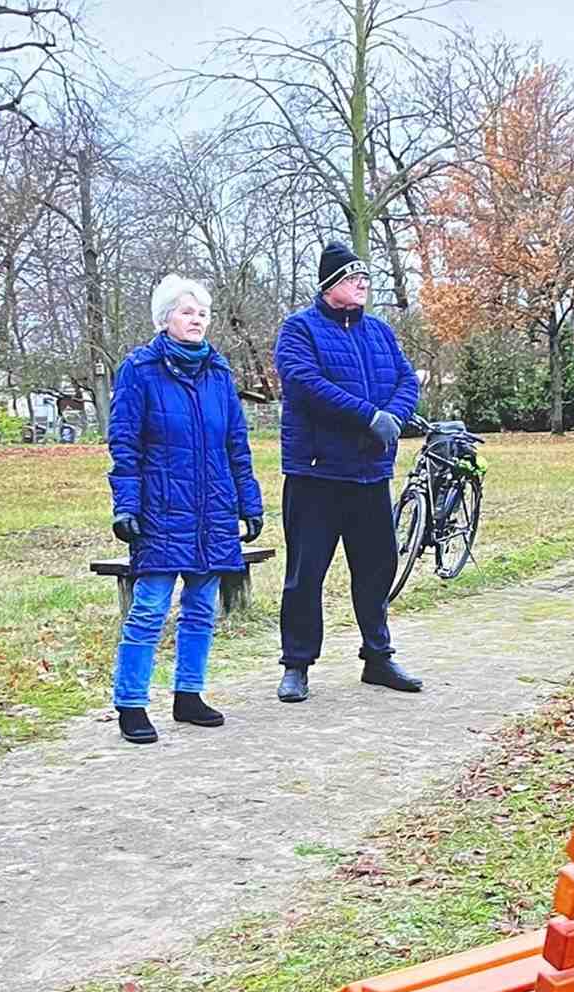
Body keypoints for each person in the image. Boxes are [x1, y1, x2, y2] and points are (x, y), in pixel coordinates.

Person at [107, 275, 264, 744]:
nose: (197, 320)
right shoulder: (139, 370)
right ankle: (131, 702)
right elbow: (125, 443)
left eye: (202, 314)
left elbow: (236, 444)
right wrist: (126, 505)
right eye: (186, 312)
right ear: (165, 318)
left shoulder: (219, 373)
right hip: (161, 508)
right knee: (149, 609)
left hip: (213, 509)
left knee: (201, 608)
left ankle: (189, 694)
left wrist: (249, 502)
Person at [273, 242, 421, 703]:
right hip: (316, 475)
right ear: (329, 284)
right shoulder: (299, 330)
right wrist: (367, 416)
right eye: (353, 278)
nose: (362, 285)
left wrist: (392, 418)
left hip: (370, 474)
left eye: (365, 278)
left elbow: (406, 380)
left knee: (377, 568)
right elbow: (306, 384)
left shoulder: (380, 332)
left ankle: (378, 656)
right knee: (306, 574)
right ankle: (297, 664)